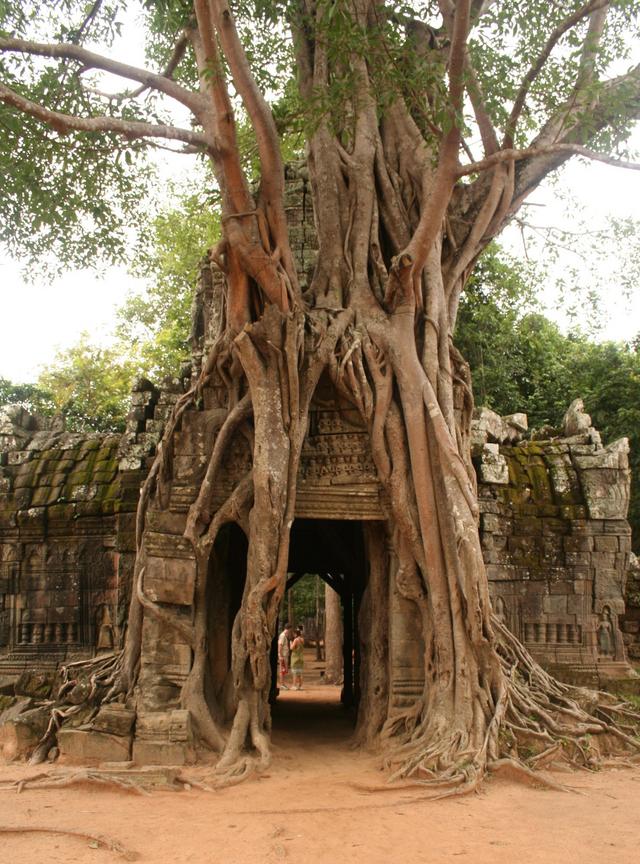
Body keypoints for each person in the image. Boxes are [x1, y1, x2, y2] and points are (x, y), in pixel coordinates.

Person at [277, 623, 293, 689]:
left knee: (284, 670)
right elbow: (280, 646)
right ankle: (282, 684)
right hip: (283, 655)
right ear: (289, 629)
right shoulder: (282, 636)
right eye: (290, 629)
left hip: (284, 655)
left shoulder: (285, 635)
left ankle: (283, 683)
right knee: (282, 670)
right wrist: (280, 656)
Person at [290, 626, 305, 691]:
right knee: (300, 672)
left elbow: (292, 648)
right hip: (301, 657)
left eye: (294, 634)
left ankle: (294, 685)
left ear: (296, 634)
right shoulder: (302, 639)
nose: (293, 635)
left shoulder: (296, 640)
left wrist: (290, 643)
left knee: (295, 672)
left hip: (295, 657)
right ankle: (300, 686)